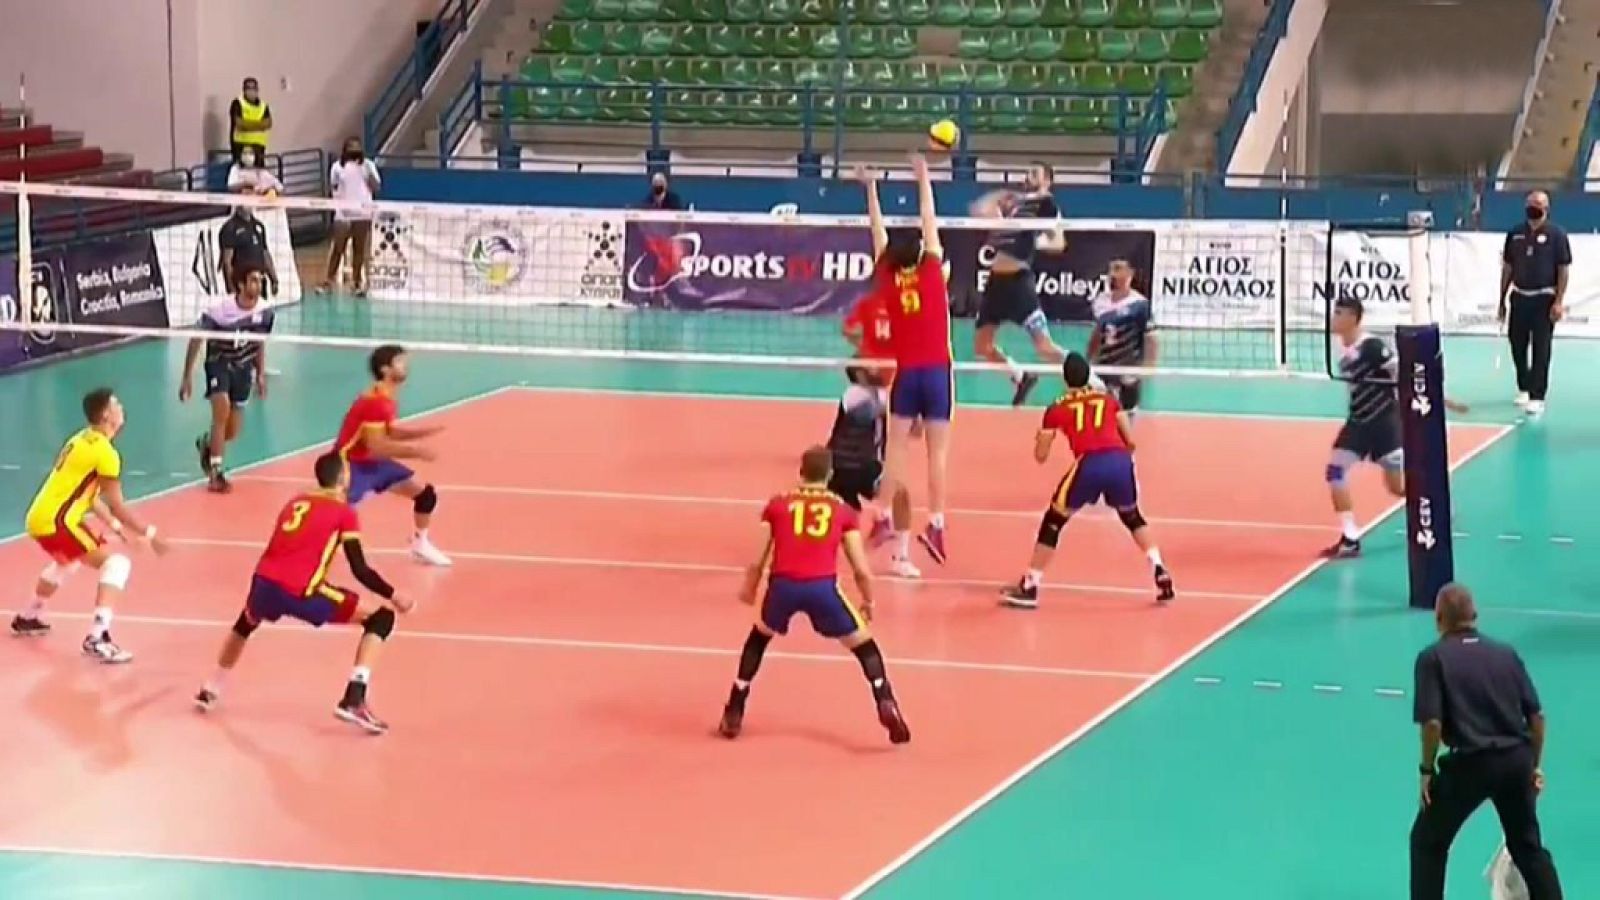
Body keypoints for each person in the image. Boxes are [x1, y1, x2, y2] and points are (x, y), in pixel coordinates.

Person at [194, 452, 416, 735]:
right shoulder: (344, 512)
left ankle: (211, 687)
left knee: (245, 624)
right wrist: (394, 595)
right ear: (343, 477)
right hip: (302, 590)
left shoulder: (296, 502)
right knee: (380, 619)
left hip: (263, 582)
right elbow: (360, 569)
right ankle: (354, 697)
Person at [718, 446, 909, 745]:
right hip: (822, 588)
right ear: (830, 475)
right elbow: (861, 568)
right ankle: (884, 696)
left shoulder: (778, 506)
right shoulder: (842, 511)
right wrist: (868, 600)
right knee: (865, 646)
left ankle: (735, 705)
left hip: (783, 587)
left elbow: (758, 557)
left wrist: (750, 588)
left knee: (759, 637)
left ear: (801, 472)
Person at [1409, 583, 1563, 900]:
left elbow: (1433, 723)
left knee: (1428, 841)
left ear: (1439, 619)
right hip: (1515, 760)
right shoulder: (1506, 654)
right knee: (1528, 848)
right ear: (1475, 616)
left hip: (1470, 764)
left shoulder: (1432, 658)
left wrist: (1426, 769)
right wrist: (1534, 766)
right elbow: (1537, 719)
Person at [1001, 353, 1172, 609]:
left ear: (1065, 380)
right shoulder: (1108, 400)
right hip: (1120, 461)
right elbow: (1131, 441)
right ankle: (1159, 568)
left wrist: (1041, 438)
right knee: (1132, 516)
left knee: (1054, 520)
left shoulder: (1056, 407)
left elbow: (1040, 457)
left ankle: (1030, 585)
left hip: (1089, 463)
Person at [13, 388, 170, 661]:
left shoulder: (80, 439)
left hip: (40, 517)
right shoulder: (106, 454)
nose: (122, 408)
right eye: (116, 404)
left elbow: (92, 499)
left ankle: (30, 615)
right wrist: (150, 534)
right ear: (107, 414)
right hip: (58, 521)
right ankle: (98, 636)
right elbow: (117, 505)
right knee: (117, 564)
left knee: (68, 561)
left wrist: (119, 531)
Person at [859, 154, 953, 571]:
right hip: (937, 374)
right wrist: (923, 177)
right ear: (920, 251)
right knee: (937, 455)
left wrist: (870, 189)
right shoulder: (933, 271)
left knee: (895, 451)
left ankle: (880, 516)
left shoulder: (888, 278)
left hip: (907, 374)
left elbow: (876, 233)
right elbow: (929, 215)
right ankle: (936, 523)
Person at [1323, 297, 1467, 558]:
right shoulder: (1339, 347)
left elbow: (1406, 374)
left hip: (1384, 426)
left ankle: (1440, 506)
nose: (1333, 317)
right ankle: (1350, 538)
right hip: (1357, 424)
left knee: (1398, 488)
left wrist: (1439, 397)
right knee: (1334, 471)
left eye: (1339, 313)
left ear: (1354, 318)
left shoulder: (1373, 347)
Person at [335, 344, 451, 566]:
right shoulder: (375, 402)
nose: (406, 366)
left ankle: (420, 545)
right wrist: (417, 452)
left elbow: (387, 432)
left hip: (370, 461)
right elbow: (378, 445)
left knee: (426, 496)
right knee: (334, 516)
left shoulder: (386, 396)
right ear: (385, 369)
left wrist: (423, 432)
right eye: (400, 362)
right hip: (349, 464)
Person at [970, 161, 1068, 406]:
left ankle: (1094, 382)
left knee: (1045, 348)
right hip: (995, 284)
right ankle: (1021, 376)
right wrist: (999, 195)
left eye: (1034, 173)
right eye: (1027, 171)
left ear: (1047, 180)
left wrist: (1036, 243)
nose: (1027, 175)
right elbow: (977, 209)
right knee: (982, 346)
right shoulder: (1017, 204)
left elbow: (1059, 242)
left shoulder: (1046, 203)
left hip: (1018, 284)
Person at [180, 266, 275, 493]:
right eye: (253, 280)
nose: (258, 285)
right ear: (240, 285)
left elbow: (259, 343)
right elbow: (196, 339)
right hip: (219, 363)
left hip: (243, 369)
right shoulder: (219, 311)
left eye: (260, 281)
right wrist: (187, 376)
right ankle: (216, 474)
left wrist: (260, 374)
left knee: (232, 430)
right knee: (220, 411)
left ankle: (207, 443)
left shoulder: (266, 312)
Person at [839, 284, 910, 552]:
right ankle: (893, 539)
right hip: (859, 466)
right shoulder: (866, 398)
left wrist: (863, 345)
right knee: (899, 487)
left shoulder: (853, 396)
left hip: (844, 466)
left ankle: (883, 521)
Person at [1498, 190, 1570, 416]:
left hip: (1544, 299)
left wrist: (1558, 301)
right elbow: (1508, 267)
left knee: (1541, 347)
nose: (1533, 207)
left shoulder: (1557, 235)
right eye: (1529, 203)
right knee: (1517, 344)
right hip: (1519, 298)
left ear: (1546, 208)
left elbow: (1563, 269)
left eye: (1537, 204)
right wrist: (1501, 299)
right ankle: (1524, 385)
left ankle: (1538, 395)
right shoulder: (1515, 234)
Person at [1087, 258, 1157, 418]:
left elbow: (1152, 337)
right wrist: (1089, 359)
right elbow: (1097, 332)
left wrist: (1149, 367)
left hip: (1128, 366)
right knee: (1100, 412)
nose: (1113, 274)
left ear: (1130, 274)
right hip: (1104, 365)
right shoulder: (1100, 301)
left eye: (1118, 269)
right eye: (1111, 270)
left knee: (1127, 414)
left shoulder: (1139, 304)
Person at [320, 136, 382, 297]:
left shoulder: (368, 165)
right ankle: (328, 281)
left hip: (363, 213)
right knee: (338, 248)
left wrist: (368, 176)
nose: (354, 151)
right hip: (343, 214)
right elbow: (333, 187)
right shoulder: (337, 168)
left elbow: (377, 187)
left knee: (359, 249)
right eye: (350, 148)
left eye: (356, 148)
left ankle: (356, 282)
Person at [218, 203, 279, 297]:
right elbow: (227, 262)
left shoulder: (259, 225)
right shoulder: (230, 228)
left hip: (259, 281)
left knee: (260, 310)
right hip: (242, 284)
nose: (249, 204)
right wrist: (231, 289)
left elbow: (265, 253)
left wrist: (274, 279)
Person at [230, 77, 272, 163]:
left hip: (259, 147)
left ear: (257, 89)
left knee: (258, 173)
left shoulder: (263, 106)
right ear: (244, 90)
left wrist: (248, 125)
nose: (251, 91)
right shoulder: (238, 103)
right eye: (248, 88)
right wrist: (260, 126)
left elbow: (268, 124)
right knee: (243, 174)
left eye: (253, 88)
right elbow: (240, 124)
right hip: (241, 146)